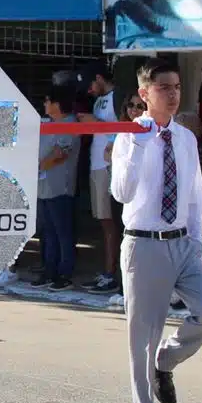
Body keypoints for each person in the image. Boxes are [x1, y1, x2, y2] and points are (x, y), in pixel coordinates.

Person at [111, 58, 202, 403]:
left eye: (177, 86)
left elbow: (195, 192)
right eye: (164, 88)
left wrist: (196, 239)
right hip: (144, 245)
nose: (173, 94)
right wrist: (140, 144)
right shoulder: (129, 136)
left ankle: (168, 360)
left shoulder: (185, 138)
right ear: (144, 94)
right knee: (142, 339)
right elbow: (122, 193)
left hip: (183, 244)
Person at [32, 81, 81, 291]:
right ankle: (49, 270)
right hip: (43, 187)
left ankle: (64, 273)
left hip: (60, 187)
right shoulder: (46, 123)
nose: (44, 104)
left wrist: (37, 166)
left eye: (47, 100)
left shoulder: (70, 123)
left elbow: (61, 153)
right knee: (48, 232)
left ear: (57, 103)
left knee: (63, 232)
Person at [85, 63, 121, 293]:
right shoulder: (99, 99)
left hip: (109, 165)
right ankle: (107, 270)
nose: (89, 89)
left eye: (90, 84)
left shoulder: (117, 97)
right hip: (96, 164)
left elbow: (122, 128)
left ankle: (111, 275)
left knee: (111, 222)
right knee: (102, 221)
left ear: (99, 77)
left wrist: (93, 122)